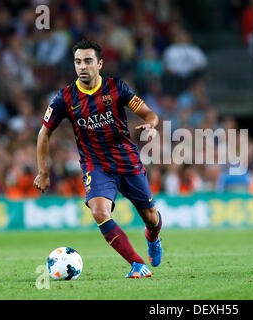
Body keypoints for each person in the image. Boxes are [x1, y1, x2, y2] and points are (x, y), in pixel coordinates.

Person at [33, 39, 162, 279]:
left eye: (88, 61)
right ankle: (137, 264)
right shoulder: (64, 98)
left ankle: (153, 236)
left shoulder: (117, 88)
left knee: (151, 218)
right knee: (100, 213)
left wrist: (152, 126)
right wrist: (43, 172)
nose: (82, 66)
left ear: (100, 64)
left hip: (127, 161)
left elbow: (149, 113)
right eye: (78, 61)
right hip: (96, 165)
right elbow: (44, 133)